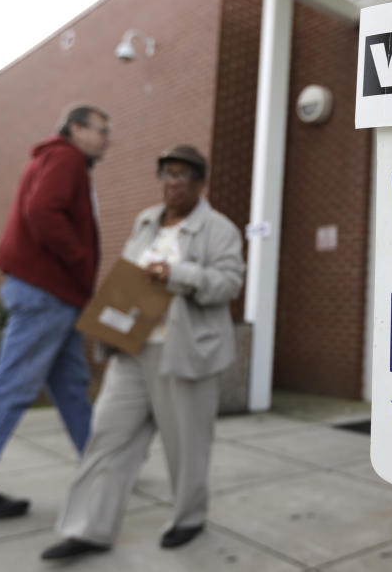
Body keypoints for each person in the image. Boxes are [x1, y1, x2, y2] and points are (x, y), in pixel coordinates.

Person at [41, 145, 244, 560]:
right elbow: (128, 276)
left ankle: (188, 518)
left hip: (185, 353)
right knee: (107, 437)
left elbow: (228, 283)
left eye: (184, 175)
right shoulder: (146, 221)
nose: (174, 183)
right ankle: (87, 529)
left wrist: (177, 274)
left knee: (186, 446)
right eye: (168, 173)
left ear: (201, 183)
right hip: (132, 351)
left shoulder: (219, 229)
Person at [0, 105, 110, 522]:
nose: (107, 139)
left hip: (53, 295)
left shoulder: (54, 158)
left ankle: (101, 466)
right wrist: (79, 256)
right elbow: (42, 211)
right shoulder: (65, 157)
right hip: (46, 293)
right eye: (101, 130)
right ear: (75, 128)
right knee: (12, 387)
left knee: (71, 385)